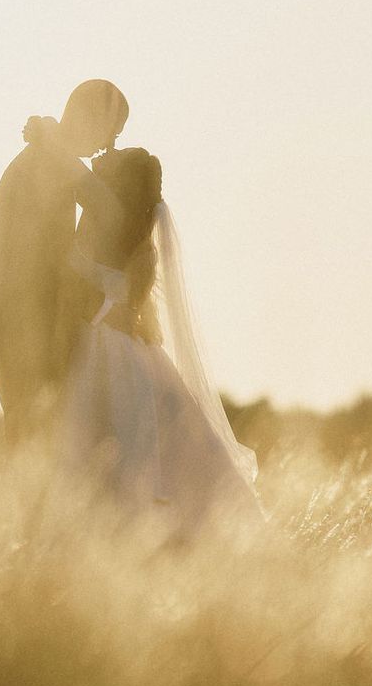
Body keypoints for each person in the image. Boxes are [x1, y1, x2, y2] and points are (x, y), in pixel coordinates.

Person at [58, 146, 262, 534]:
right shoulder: (117, 236)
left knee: (127, 438)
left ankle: (138, 525)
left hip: (114, 349)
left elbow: (118, 298)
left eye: (112, 167)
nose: (105, 159)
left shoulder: (140, 252)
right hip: (112, 342)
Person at [0, 80, 129, 445]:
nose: (108, 146)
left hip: (22, 318)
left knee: (34, 440)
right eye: (112, 133)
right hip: (25, 321)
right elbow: (108, 212)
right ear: (92, 117)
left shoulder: (48, 155)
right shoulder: (49, 161)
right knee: (34, 441)